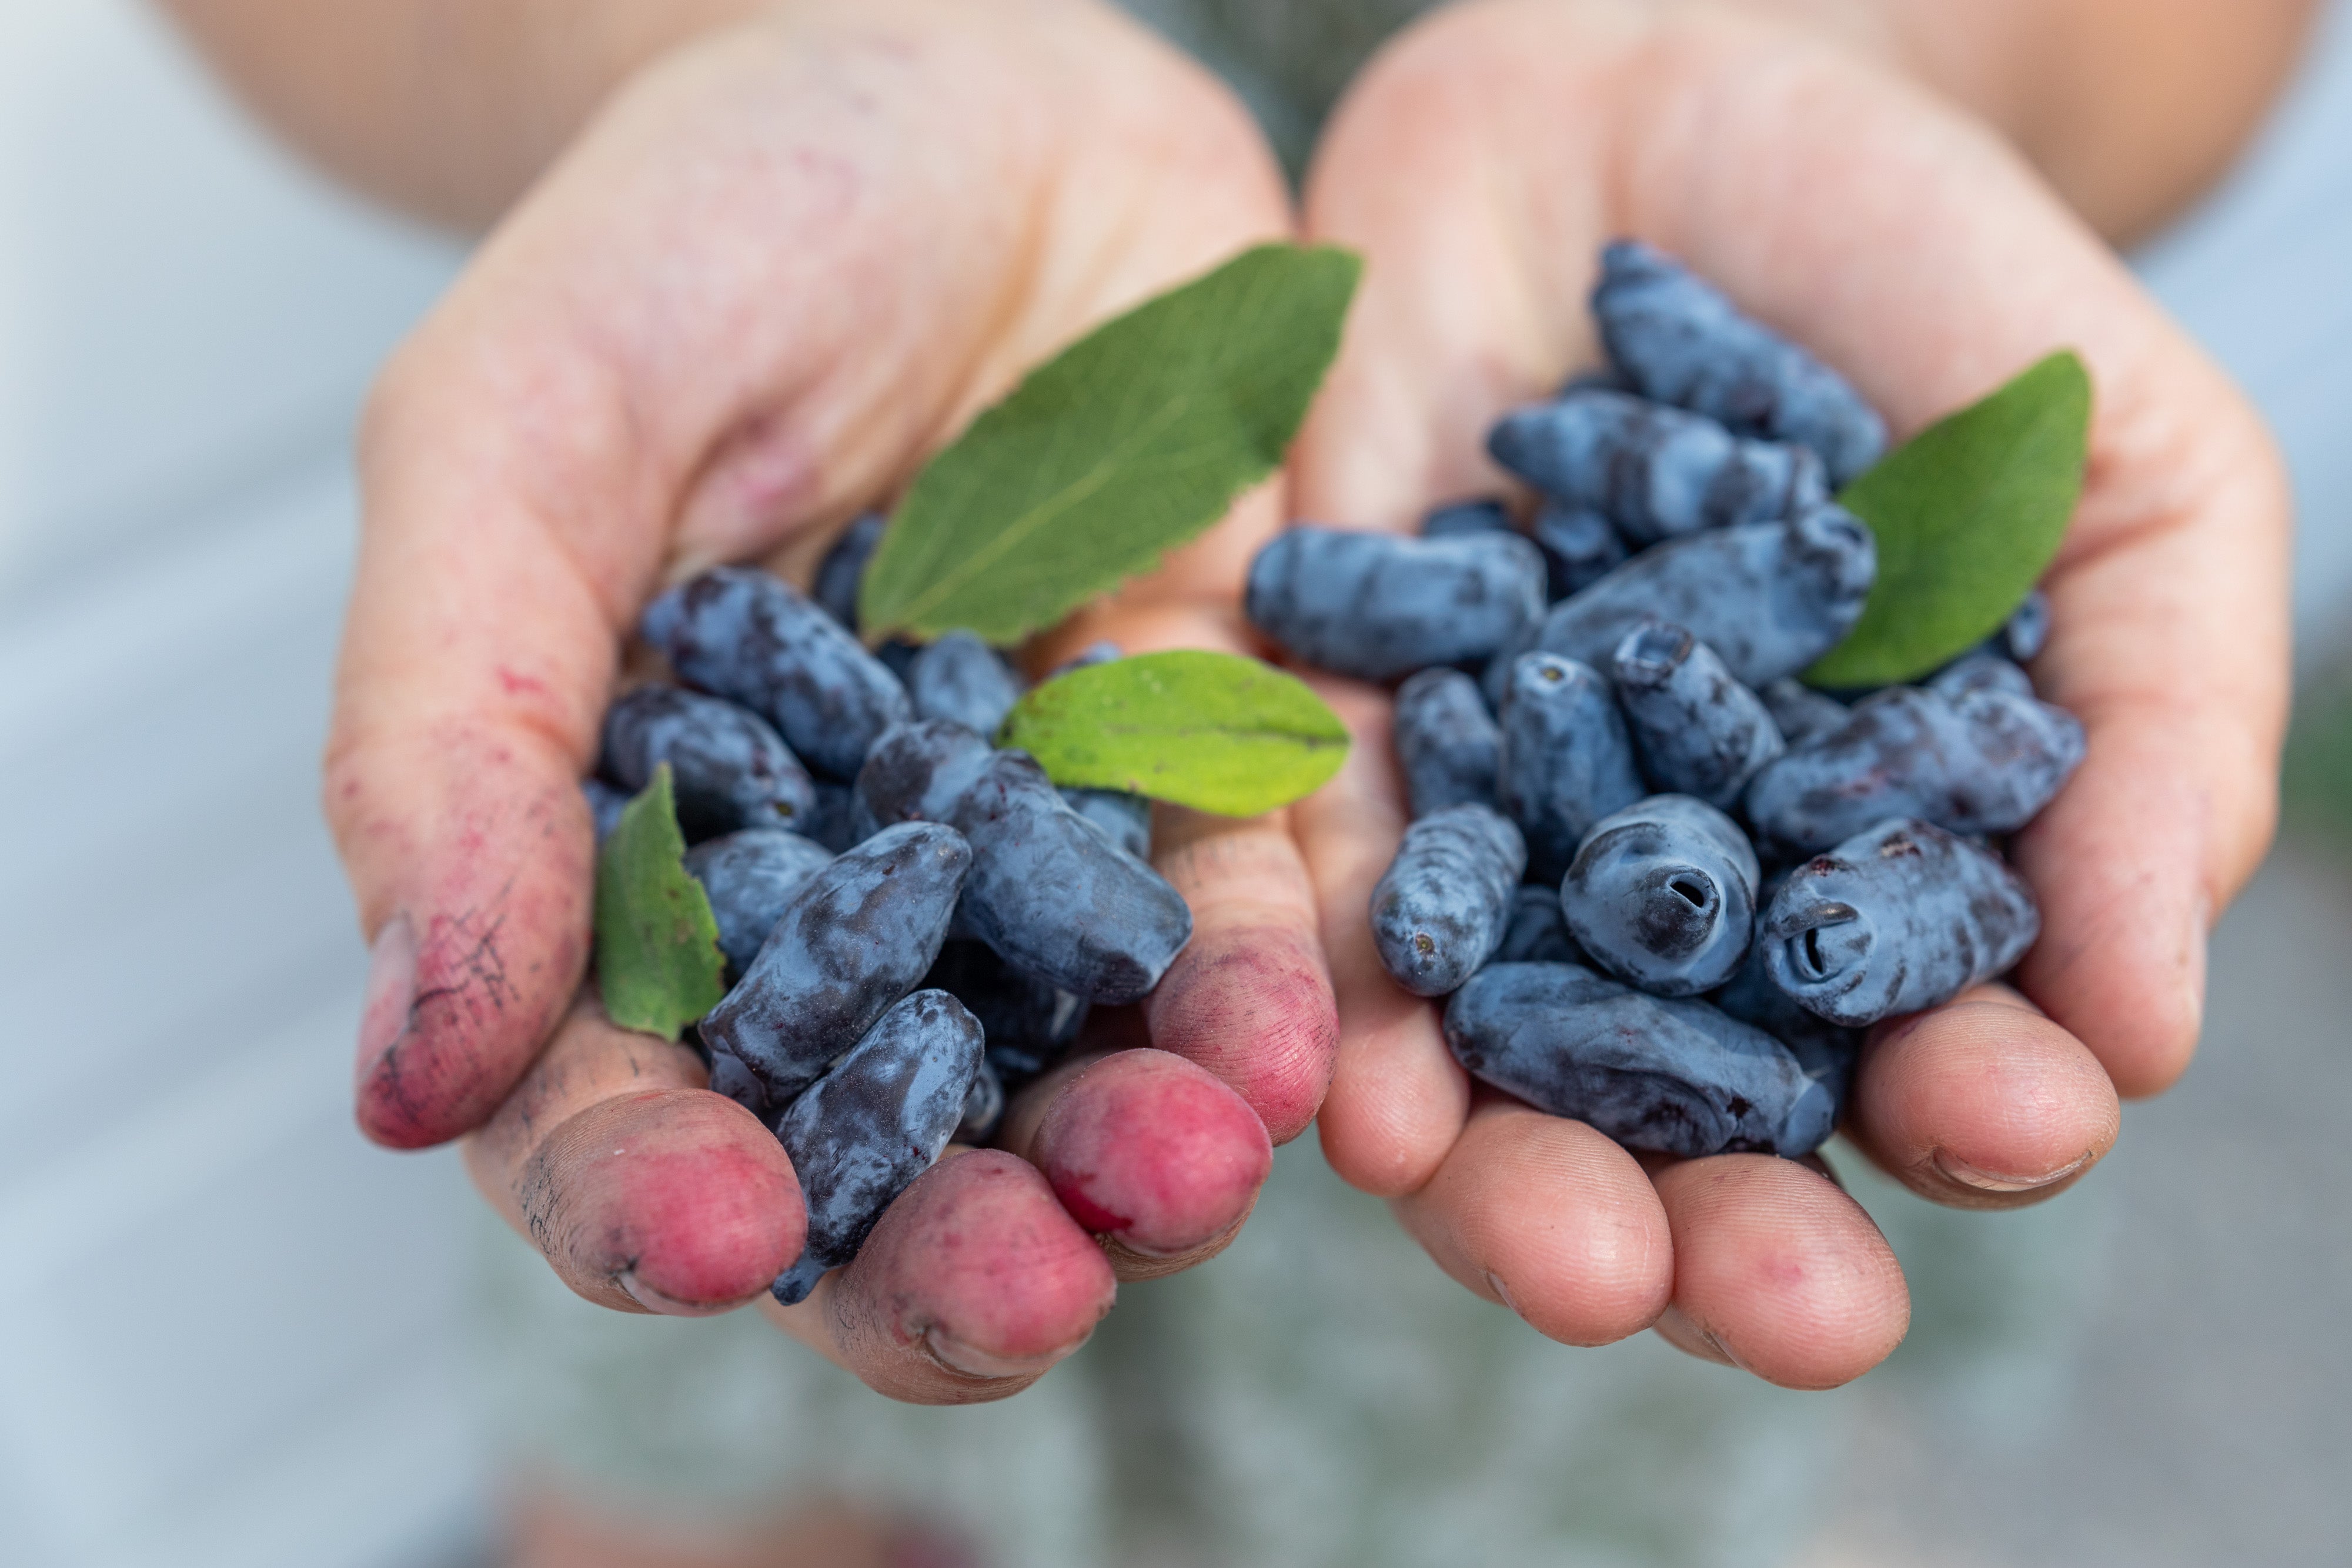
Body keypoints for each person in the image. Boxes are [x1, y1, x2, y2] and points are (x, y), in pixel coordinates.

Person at [156, 0, 2307, 1562]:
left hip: (1466, 1289)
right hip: (895, 400)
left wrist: (1894, 53)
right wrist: (699, 49)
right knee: (721, 1423)